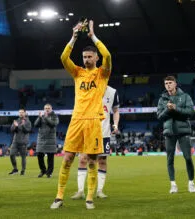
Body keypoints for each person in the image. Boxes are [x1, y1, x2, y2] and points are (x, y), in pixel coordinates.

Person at [50, 19, 111, 210]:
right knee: (67, 158)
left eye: (89, 57)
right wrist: (73, 37)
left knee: (92, 161)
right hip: (76, 120)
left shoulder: (102, 74)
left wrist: (93, 36)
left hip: (93, 121)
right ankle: (59, 197)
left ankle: (90, 198)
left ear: (96, 58)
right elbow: (63, 58)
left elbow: (108, 55)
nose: (86, 60)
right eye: (84, 57)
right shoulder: (77, 72)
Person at [71, 86, 119, 199]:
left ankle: (99, 191)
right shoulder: (88, 87)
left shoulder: (113, 92)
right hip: (87, 130)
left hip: (104, 132)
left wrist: (115, 124)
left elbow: (116, 110)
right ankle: (80, 191)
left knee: (102, 161)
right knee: (82, 159)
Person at [157, 76, 195, 194]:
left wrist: (175, 108)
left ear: (175, 84)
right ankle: (173, 185)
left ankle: (191, 183)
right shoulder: (162, 99)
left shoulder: (185, 97)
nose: (168, 85)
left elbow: (190, 112)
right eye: (166, 83)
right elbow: (159, 116)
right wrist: (168, 110)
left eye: (170, 83)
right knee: (170, 159)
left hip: (183, 131)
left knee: (188, 158)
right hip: (169, 132)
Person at [34, 104, 59, 178]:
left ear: (51, 109)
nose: (47, 109)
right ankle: (43, 170)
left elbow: (53, 124)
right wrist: (39, 117)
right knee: (39, 155)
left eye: (48, 108)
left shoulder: (54, 116)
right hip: (41, 138)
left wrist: (45, 117)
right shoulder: (41, 116)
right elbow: (35, 125)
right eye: (45, 108)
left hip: (50, 139)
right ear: (44, 109)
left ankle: (49, 172)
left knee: (50, 157)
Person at [8, 108, 32, 176]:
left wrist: (22, 125)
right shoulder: (16, 120)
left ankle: (23, 170)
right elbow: (12, 130)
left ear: (25, 113)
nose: (21, 113)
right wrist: (15, 126)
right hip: (15, 141)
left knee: (23, 157)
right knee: (11, 154)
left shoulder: (28, 121)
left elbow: (27, 130)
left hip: (23, 142)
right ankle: (15, 169)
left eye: (22, 112)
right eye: (19, 112)